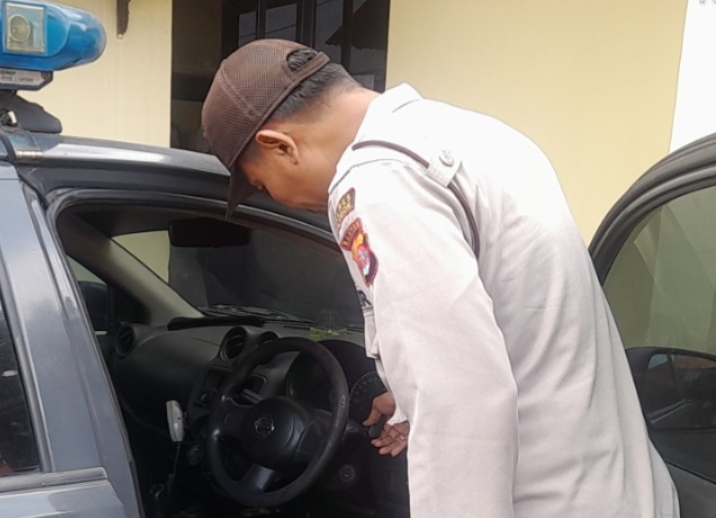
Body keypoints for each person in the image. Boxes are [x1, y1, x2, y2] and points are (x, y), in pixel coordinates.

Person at [201, 39, 679, 518]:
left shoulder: (376, 182)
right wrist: (414, 400)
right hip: (625, 489)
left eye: (262, 184)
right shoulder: (469, 133)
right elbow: (517, 329)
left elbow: (462, 402)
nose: (277, 198)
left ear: (281, 146)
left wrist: (435, 403)